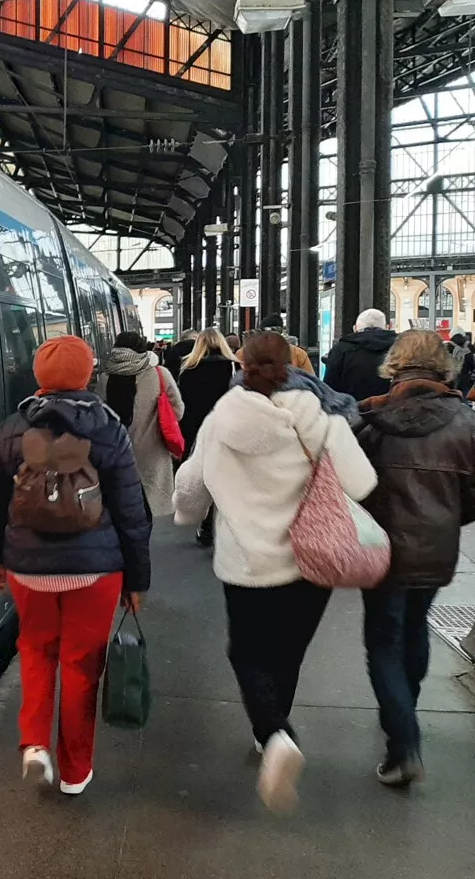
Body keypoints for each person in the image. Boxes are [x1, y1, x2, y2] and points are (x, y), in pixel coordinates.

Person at [173, 332, 376, 812]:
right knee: (287, 652)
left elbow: (190, 485)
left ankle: (274, 733)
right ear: (293, 366)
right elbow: (363, 483)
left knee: (246, 651)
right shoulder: (322, 419)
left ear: (242, 365)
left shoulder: (223, 418)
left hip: (246, 561)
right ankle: (274, 728)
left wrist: (186, 513)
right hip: (311, 560)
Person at [0, 335, 151, 796]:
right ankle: (76, 772)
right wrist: (137, 579)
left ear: (38, 376)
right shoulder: (108, 428)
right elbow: (131, 510)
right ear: (87, 375)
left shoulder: (12, 428)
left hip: (27, 568)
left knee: (36, 651)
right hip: (97, 570)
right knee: (82, 665)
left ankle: (35, 744)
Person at [354, 330, 475, 787]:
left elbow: (351, 483)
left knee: (383, 641)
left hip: (380, 549)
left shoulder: (370, 418)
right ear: (444, 366)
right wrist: (446, 517)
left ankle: (403, 742)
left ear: (395, 366)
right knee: (414, 630)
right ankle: (405, 704)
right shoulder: (466, 422)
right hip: (436, 548)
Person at [99, 332, 184, 517]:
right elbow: (177, 410)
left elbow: (100, 418)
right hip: (152, 451)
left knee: (123, 509)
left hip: (117, 452)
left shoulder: (105, 378)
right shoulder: (160, 374)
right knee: (150, 508)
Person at [176, 328, 238, 547]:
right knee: (227, 477)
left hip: (197, 430)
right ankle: (224, 523)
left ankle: (205, 523)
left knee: (205, 477)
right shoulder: (233, 366)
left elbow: (184, 404)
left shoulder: (189, 369)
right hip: (227, 427)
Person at [323, 308, 396, 401]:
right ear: (388, 327)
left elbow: (330, 387)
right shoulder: (400, 347)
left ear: (355, 328)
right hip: (391, 410)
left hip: (352, 410)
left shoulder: (341, 349)